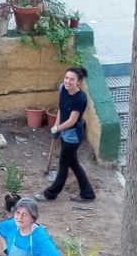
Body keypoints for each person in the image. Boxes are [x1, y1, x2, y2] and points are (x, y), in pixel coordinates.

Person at [35, 66, 96, 202]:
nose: (68, 81)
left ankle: (50, 194)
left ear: (79, 82)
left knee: (63, 165)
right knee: (73, 163)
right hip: (64, 132)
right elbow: (61, 109)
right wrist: (56, 126)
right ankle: (88, 193)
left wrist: (58, 128)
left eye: (72, 79)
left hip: (73, 137)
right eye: (66, 78)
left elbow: (72, 120)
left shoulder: (80, 98)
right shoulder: (63, 88)